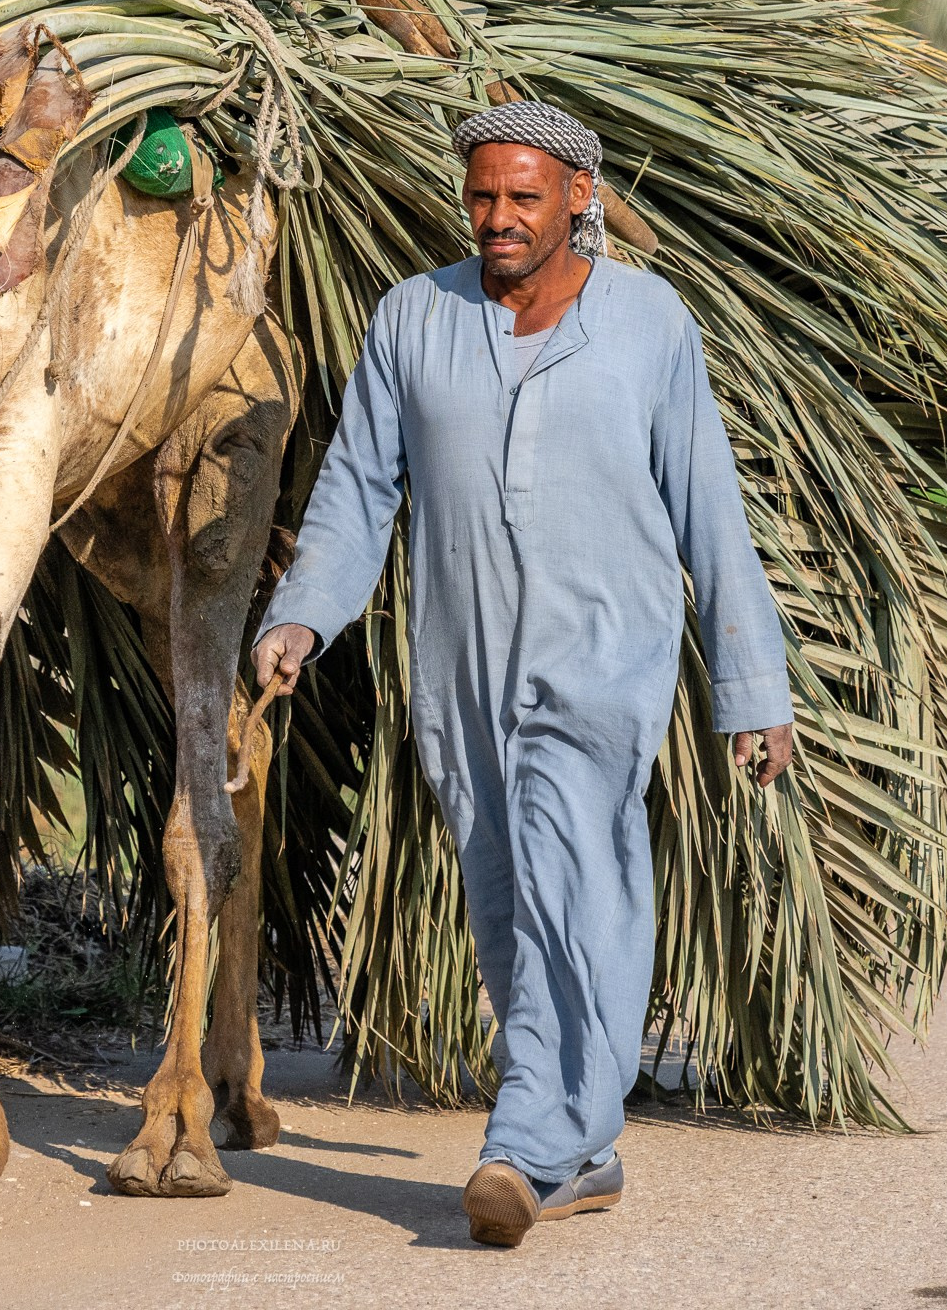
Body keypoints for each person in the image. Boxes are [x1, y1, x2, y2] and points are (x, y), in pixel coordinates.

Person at [250, 101, 796, 1250]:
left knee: (567, 866)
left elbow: (710, 513)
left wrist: (751, 689)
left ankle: (525, 1140)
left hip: (607, 652)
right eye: (483, 197)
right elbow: (358, 491)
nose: (498, 219)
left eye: (523, 198)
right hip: (460, 660)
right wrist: (301, 619)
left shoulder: (649, 322)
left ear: (578, 200)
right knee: (507, 896)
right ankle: (587, 1150)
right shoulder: (414, 317)